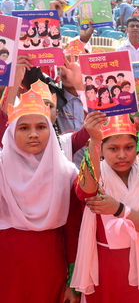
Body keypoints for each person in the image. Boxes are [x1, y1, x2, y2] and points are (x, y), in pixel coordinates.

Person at [71, 113, 139, 302]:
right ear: (102, 150)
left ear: (136, 146)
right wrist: (94, 140)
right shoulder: (96, 176)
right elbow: (86, 191)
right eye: (113, 148)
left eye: (129, 147)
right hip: (104, 265)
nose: (122, 155)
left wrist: (120, 210)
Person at [0, 88, 80, 303]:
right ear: (11, 132)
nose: (33, 134)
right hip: (6, 264)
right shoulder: (0, 168)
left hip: (49, 262)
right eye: (24, 128)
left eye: (41, 127)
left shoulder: (66, 172)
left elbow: (72, 229)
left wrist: (73, 281)